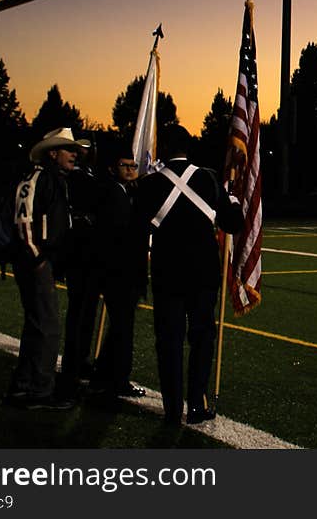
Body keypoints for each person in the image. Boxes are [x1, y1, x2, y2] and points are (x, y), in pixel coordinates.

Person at [135, 124, 242, 425]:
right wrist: (232, 202)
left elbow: (137, 231)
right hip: (204, 273)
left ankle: (171, 410)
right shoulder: (208, 178)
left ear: (164, 149)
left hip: (167, 273)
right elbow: (233, 224)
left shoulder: (149, 184)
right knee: (202, 338)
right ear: (188, 147)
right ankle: (196, 404)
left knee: (168, 341)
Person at [5, 127, 88, 410]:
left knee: (38, 325)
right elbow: (23, 216)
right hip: (35, 261)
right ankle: (39, 391)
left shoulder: (52, 178)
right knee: (48, 327)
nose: (75, 154)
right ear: (53, 153)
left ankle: (24, 385)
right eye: (69, 150)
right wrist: (37, 256)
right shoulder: (40, 177)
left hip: (39, 260)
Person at [88, 148, 149, 399]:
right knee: (123, 329)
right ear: (114, 168)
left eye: (134, 166)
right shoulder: (113, 192)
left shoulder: (128, 193)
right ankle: (119, 380)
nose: (130, 170)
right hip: (119, 272)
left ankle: (102, 373)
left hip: (125, 271)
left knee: (119, 328)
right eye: (125, 165)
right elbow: (119, 233)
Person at [56, 138, 101, 401]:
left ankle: (80, 358)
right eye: (77, 149)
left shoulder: (87, 175)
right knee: (79, 311)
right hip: (78, 255)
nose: (82, 152)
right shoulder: (76, 177)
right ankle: (72, 364)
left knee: (87, 312)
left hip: (90, 255)